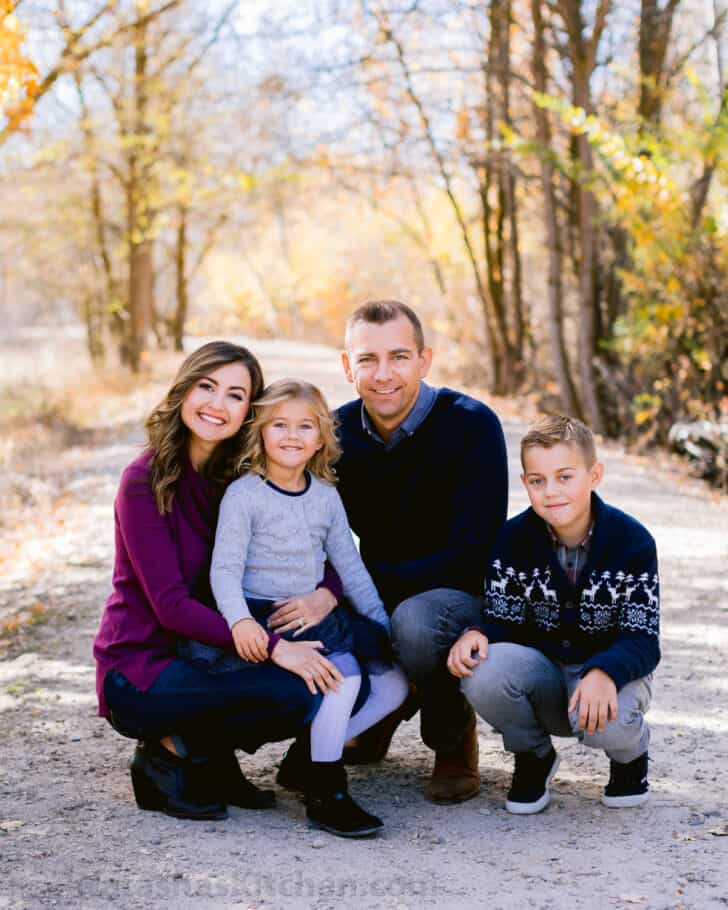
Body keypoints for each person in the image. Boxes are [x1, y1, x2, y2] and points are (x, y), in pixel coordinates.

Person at [93, 342, 344, 821]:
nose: (216, 404)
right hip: (143, 666)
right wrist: (274, 646)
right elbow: (170, 605)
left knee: (309, 685)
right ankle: (165, 755)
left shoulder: (244, 478)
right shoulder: (143, 482)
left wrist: (325, 592)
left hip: (210, 654)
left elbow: (321, 539)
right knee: (288, 686)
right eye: (206, 387)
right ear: (184, 390)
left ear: (249, 410)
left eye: (235, 394)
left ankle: (208, 756)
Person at [289, 300, 509, 804]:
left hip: (457, 597)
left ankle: (452, 738)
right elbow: (315, 535)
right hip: (381, 584)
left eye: (399, 357)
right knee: (310, 602)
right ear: (347, 367)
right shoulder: (335, 435)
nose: (383, 374)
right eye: (367, 360)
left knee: (412, 621)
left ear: (425, 361)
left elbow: (473, 552)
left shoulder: (472, 425)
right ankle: (381, 706)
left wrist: (360, 587)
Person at [193, 378, 408, 837]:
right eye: (280, 425)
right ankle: (325, 790)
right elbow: (224, 571)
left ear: (321, 437)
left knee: (394, 684)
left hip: (315, 615)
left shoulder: (325, 496)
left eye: (305, 426)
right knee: (343, 677)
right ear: (260, 432)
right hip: (265, 617)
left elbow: (350, 568)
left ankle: (309, 756)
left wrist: (382, 625)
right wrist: (240, 622)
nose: (292, 436)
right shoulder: (245, 494)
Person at [448, 415, 660, 814]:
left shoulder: (631, 542)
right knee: (481, 669)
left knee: (611, 723)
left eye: (565, 477)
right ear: (526, 482)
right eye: (538, 480)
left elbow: (642, 638)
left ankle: (630, 755)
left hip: (608, 678)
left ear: (594, 475)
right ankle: (533, 755)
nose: (551, 492)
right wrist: (479, 633)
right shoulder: (512, 540)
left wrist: (604, 672)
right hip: (547, 676)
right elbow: (502, 620)